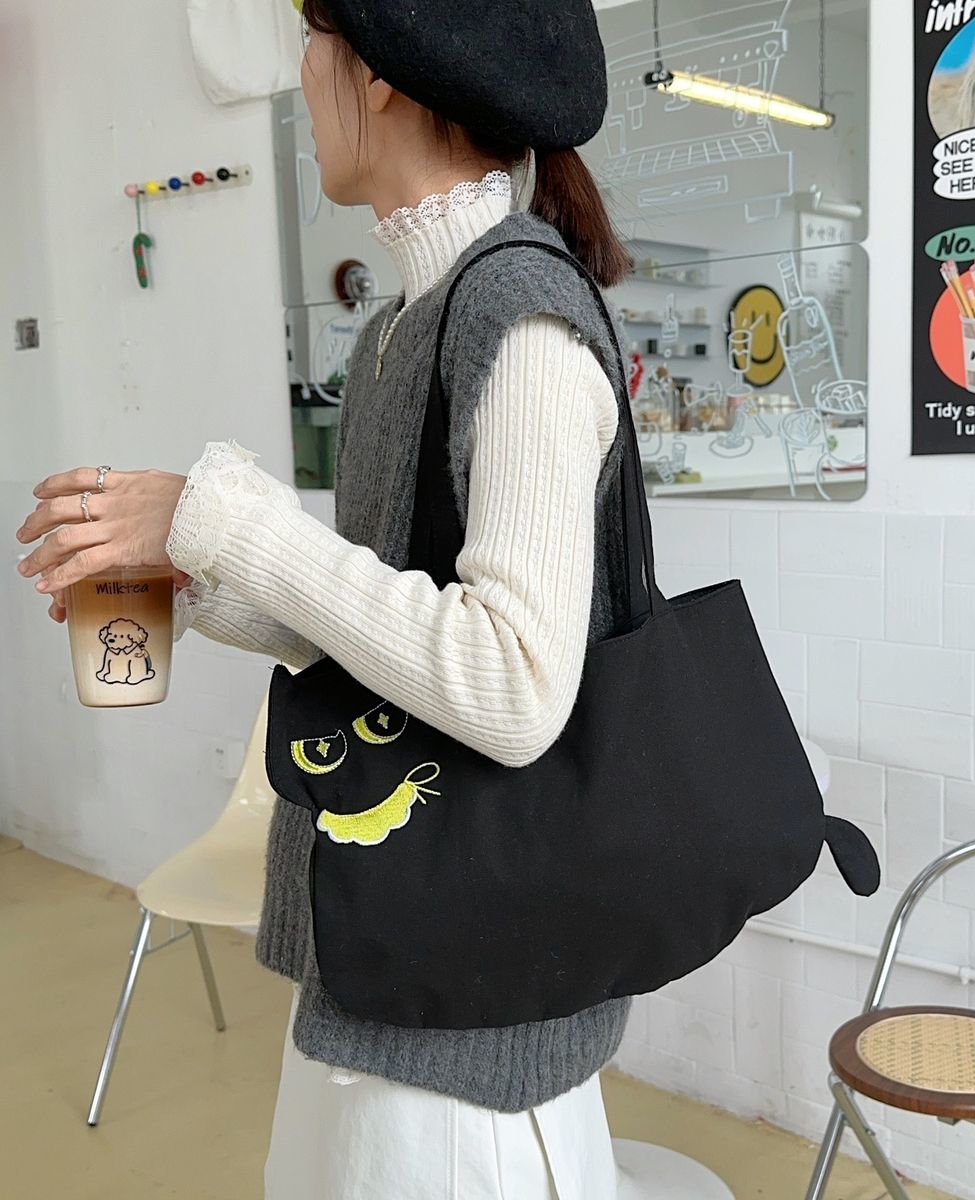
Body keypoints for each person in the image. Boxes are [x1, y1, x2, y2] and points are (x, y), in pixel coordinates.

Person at [14, 1, 638, 1196]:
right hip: (386, 956)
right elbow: (383, 637)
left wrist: (226, 518)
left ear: (384, 73)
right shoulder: (404, 324)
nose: (301, 79)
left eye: (312, 41)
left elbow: (512, 686)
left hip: (468, 1031)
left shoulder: (524, 322)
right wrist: (201, 578)